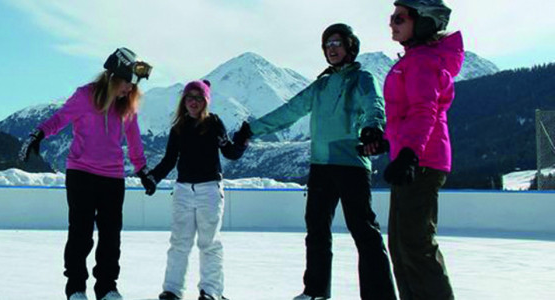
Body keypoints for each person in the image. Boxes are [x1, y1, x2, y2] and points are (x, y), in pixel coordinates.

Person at [238, 24, 396, 300]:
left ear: (350, 47)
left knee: (363, 230)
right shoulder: (321, 84)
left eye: (337, 42)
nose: (331, 48)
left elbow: (374, 105)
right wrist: (253, 129)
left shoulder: (362, 78)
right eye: (327, 45)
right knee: (317, 229)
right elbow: (291, 110)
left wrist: (373, 127)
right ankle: (316, 291)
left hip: (351, 164)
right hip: (320, 165)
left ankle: (379, 295)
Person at [19, 47, 156, 300]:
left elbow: (134, 139)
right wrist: (38, 133)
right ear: (114, 75)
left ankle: (106, 288)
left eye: (134, 85)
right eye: (128, 82)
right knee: (80, 233)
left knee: (111, 236)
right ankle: (76, 288)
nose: (130, 89)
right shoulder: (85, 96)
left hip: (113, 178)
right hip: (81, 173)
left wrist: (142, 169)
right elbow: (60, 119)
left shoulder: (126, 106)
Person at [382, 1, 463, 299]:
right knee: (402, 246)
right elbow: (406, 115)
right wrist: (387, 139)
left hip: (423, 161)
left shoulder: (422, 61)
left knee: (415, 245)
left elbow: (424, 110)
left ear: (425, 22)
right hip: (414, 158)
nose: (392, 23)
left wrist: (409, 153)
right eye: (392, 17)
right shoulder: (414, 59)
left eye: (400, 18)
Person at [140, 80, 247, 300]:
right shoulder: (178, 128)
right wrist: (153, 178)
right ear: (183, 101)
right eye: (190, 97)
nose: (193, 102)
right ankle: (172, 290)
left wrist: (242, 140)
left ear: (206, 101)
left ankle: (210, 291)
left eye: (199, 98)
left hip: (209, 189)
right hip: (183, 191)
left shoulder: (214, 123)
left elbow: (229, 152)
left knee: (209, 243)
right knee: (179, 241)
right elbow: (169, 160)